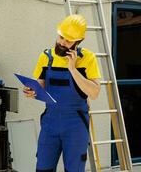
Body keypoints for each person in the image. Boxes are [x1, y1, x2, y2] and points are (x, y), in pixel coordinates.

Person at [23, 14, 101, 172]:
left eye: (68, 40)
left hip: (76, 124)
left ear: (78, 42)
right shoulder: (46, 57)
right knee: (43, 168)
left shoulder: (87, 58)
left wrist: (73, 69)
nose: (62, 43)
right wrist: (31, 91)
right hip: (50, 122)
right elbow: (40, 85)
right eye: (61, 37)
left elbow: (94, 93)